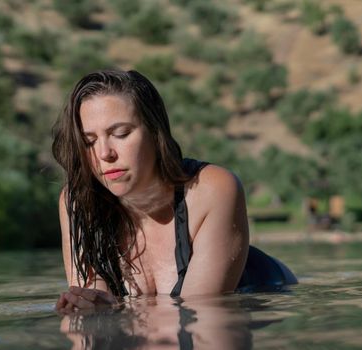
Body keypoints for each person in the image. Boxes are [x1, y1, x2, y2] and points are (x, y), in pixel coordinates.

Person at [52, 70, 296, 312]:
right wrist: (93, 310)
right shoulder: (78, 203)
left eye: (120, 134)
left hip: (275, 298)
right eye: (89, 141)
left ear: (154, 131)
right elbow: (90, 306)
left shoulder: (211, 190)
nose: (105, 153)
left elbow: (200, 316)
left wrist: (119, 312)